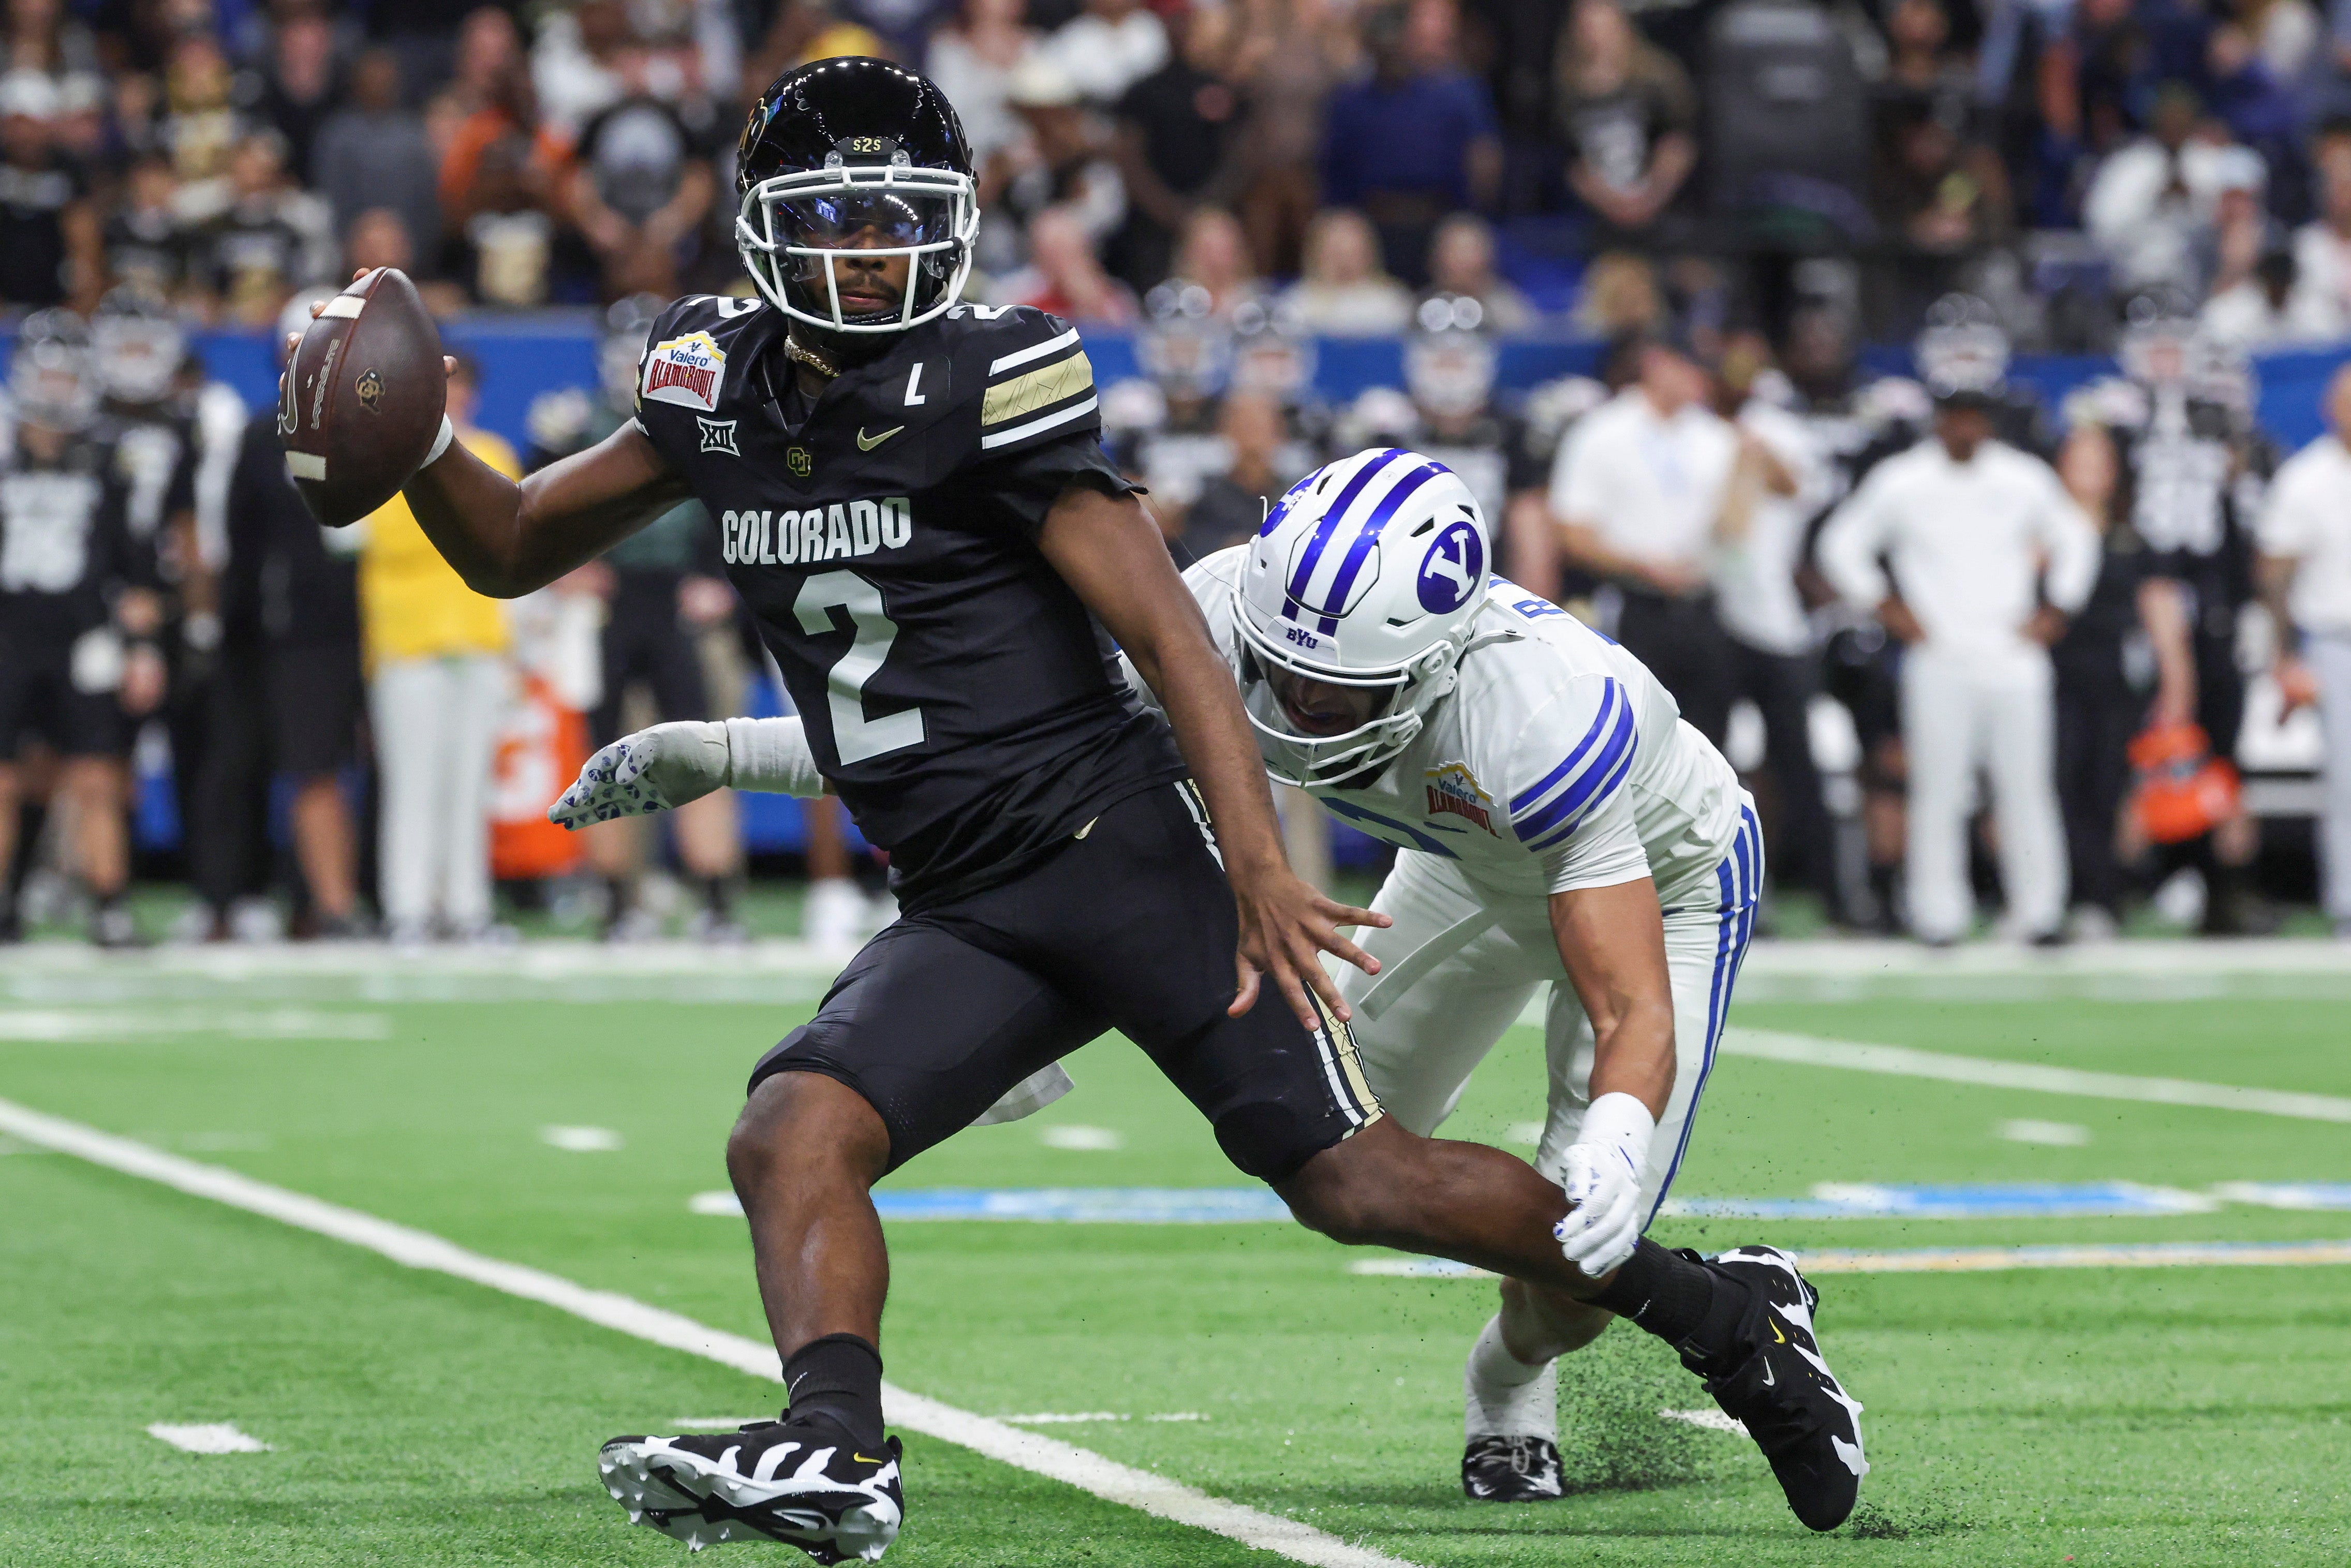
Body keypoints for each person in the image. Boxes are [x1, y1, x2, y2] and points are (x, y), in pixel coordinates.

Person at [403, 58, 1863, 1558]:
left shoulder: (990, 376)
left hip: (1109, 850)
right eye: (834, 220)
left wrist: (1253, 869)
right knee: (789, 1131)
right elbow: (512, 543)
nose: (867, 254)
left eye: (897, 219)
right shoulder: (705, 382)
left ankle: (1722, 1314)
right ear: (763, 228)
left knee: (1353, 1181)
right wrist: (413, 442)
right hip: (968, 887)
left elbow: (1168, 639)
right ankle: (835, 1448)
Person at [1817, 383, 2102, 945]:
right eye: (1956, 417)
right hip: (1938, 654)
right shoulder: (1903, 480)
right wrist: (1886, 606)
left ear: (1988, 422)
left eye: (1975, 417)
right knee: (1937, 789)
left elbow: (2076, 538)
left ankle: (2038, 913)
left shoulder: (2021, 477)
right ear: (1939, 421)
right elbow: (1840, 544)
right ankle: (1937, 914)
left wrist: (2058, 609)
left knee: (2026, 788)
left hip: (2014, 653)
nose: (1966, 427)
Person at [525, 297, 743, 942]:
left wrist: (722, 577)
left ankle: (716, 901)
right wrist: (559, 567)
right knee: (606, 759)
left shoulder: (706, 417)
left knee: (705, 758)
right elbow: (533, 504)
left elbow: (743, 507)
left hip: (678, 602)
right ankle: (618, 901)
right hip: (608, 605)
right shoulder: (572, 424)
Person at [200, 287, 366, 938]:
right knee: (245, 767)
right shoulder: (258, 435)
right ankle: (232, 901)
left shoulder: (376, 430)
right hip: (273, 632)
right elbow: (239, 541)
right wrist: (230, 622)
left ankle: (324, 904)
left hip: (351, 632)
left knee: (328, 772)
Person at [0, 310, 157, 945]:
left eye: (71, 378)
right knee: (7, 778)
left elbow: (135, 565)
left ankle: (109, 905)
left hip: (82, 637)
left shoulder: (104, 462)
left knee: (96, 773)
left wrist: (141, 647)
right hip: (8, 637)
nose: (61, 390)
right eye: (51, 377)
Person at [357, 353, 521, 944]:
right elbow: (389, 538)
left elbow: (510, 542)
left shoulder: (496, 453)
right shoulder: (382, 459)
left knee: (470, 783)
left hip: (478, 640)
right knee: (413, 782)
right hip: (409, 641)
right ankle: (407, 908)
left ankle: (466, 908)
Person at [1548, 327, 1744, 746]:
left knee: (1710, 743)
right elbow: (1572, 533)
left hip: (1704, 607)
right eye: (1688, 366)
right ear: (1656, 363)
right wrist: (1644, 566)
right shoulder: (1600, 432)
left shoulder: (1717, 437)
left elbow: (1736, 528)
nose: (1699, 379)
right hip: (1632, 606)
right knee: (1633, 737)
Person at [2049, 422, 2196, 939]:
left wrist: (2177, 685)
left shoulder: (2133, 539)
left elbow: (2162, 617)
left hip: (2112, 681)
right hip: (2049, 677)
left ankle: (2103, 899)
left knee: (2108, 790)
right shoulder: (2039, 529)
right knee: (2055, 786)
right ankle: (2054, 898)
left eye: (2099, 460)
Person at [2256, 363, 2351, 940]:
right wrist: (2285, 655)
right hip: (2336, 640)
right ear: (2328, 409)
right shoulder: (2305, 477)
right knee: (2346, 778)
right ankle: (2348, 902)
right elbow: (2275, 574)